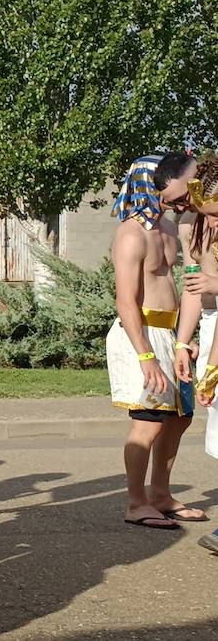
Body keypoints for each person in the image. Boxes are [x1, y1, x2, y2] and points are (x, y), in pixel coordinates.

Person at [108, 152, 202, 530]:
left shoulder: (168, 228)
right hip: (141, 335)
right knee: (147, 423)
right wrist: (145, 355)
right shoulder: (131, 233)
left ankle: (160, 495)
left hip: (171, 335)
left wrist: (184, 339)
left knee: (179, 420)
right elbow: (125, 300)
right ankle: (136, 502)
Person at [176, 154, 218, 552]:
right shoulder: (193, 225)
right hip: (211, 330)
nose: (214, 221)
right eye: (208, 213)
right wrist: (181, 342)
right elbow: (193, 290)